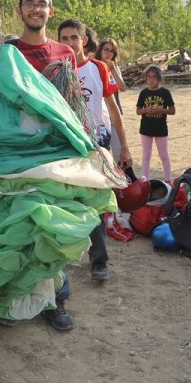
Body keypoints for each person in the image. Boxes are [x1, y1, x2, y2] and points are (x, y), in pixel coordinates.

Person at [2, 0, 77, 331]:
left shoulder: (65, 53)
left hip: (54, 151)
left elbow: (71, 105)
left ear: (51, 10)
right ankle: (12, 299)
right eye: (29, 3)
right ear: (19, 10)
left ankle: (54, 300)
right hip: (12, 151)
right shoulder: (6, 51)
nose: (35, 8)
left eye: (41, 3)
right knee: (15, 224)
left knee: (51, 224)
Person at [57, 18, 133, 283]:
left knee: (97, 204)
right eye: (63, 39)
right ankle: (60, 263)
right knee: (65, 202)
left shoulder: (99, 68)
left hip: (97, 144)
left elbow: (113, 110)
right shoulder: (54, 72)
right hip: (65, 145)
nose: (69, 43)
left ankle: (99, 260)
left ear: (84, 40)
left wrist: (124, 146)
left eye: (73, 38)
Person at [135, 65, 175, 181]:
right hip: (146, 128)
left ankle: (167, 180)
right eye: (149, 77)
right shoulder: (143, 93)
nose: (151, 79)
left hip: (160, 128)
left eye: (154, 77)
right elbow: (138, 111)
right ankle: (145, 180)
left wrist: (160, 110)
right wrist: (145, 110)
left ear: (159, 79)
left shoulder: (165, 92)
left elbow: (173, 111)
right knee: (146, 154)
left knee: (163, 155)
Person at [95, 37, 127, 163]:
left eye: (112, 51)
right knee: (102, 153)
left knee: (119, 153)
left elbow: (123, 88)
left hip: (114, 116)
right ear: (100, 50)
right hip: (100, 117)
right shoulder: (94, 66)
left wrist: (113, 70)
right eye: (106, 50)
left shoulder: (115, 68)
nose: (108, 53)